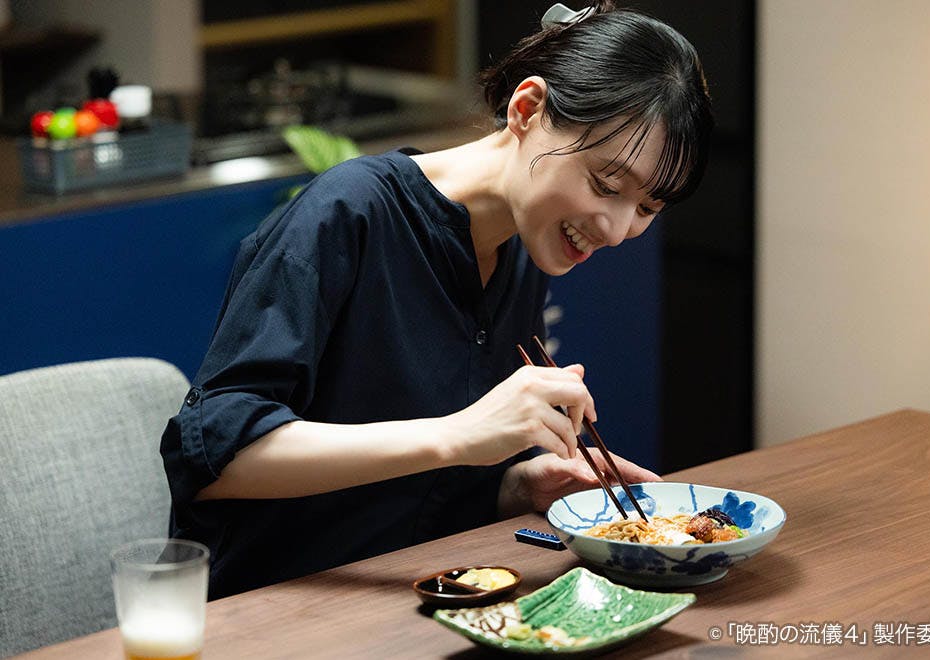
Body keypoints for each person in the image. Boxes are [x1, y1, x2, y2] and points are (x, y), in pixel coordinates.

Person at [160, 0, 713, 600]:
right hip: (274, 608)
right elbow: (216, 458)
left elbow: (420, 491)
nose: (617, 228)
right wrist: (457, 434)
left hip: (417, 598)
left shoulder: (521, 253)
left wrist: (517, 486)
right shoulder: (348, 214)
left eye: (648, 207)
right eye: (605, 184)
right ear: (527, 110)